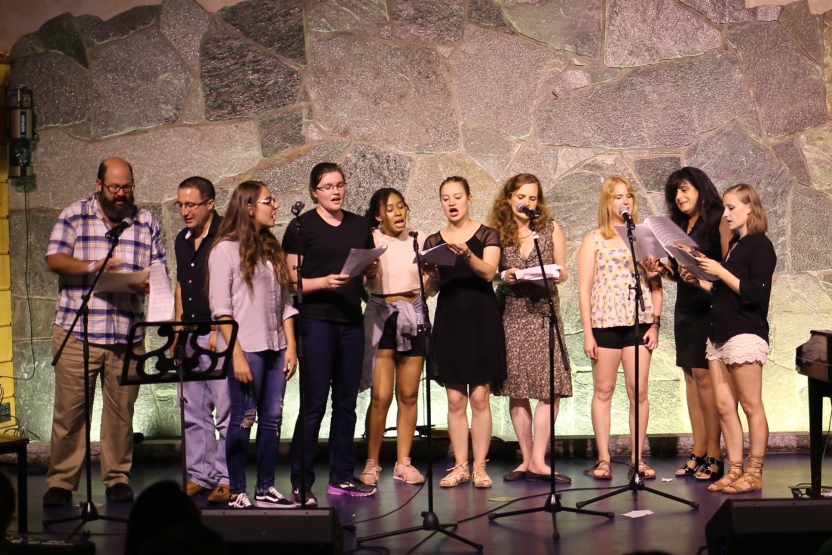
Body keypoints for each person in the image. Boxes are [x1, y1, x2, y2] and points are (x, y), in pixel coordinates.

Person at [43, 157, 166, 506]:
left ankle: (116, 477)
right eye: (114, 187)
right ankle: (63, 481)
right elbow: (54, 258)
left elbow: (159, 266)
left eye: (126, 187)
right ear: (99, 185)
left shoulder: (145, 222)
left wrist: (148, 285)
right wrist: (94, 266)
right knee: (69, 414)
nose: (121, 194)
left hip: (127, 334)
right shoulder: (74, 215)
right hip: (78, 330)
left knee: (121, 414)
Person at [282, 163, 379, 504]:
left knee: (347, 403)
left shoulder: (358, 225)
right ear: (314, 192)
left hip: (351, 320)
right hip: (317, 321)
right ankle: (300, 481)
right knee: (314, 404)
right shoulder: (301, 226)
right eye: (327, 187)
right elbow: (290, 282)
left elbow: (367, 279)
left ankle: (341, 476)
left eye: (339, 185)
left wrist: (369, 269)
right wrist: (323, 282)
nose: (335, 192)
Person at [208, 181, 298, 509]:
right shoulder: (225, 250)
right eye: (268, 201)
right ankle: (236, 489)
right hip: (245, 347)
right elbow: (221, 309)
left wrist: (291, 345)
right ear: (249, 208)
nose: (275, 206)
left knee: (272, 419)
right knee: (244, 418)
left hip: (275, 347)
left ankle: (265, 487)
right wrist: (237, 355)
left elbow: (285, 302)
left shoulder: (271, 247)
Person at [685, 184, 775, 494]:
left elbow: (754, 293)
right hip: (719, 334)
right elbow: (727, 291)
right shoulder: (736, 245)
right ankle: (735, 468)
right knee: (725, 407)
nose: (726, 214)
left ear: (750, 207)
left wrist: (719, 271)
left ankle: (755, 470)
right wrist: (700, 280)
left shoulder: (760, 245)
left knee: (751, 405)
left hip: (745, 332)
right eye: (724, 207)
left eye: (732, 207)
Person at [643, 167, 730, 481]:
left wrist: (701, 265)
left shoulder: (718, 217)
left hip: (710, 305)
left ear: (700, 187)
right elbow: (681, 272)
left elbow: (726, 265)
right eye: (675, 193)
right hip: (686, 307)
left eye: (684, 189)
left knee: (707, 380)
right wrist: (662, 269)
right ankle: (699, 449)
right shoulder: (678, 224)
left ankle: (716, 453)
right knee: (692, 380)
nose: (680, 197)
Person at [423, 176, 507, 488]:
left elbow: (489, 274)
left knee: (479, 397)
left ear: (469, 199)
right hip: (450, 319)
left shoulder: (487, 234)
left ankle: (480, 466)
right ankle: (460, 465)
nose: (452, 203)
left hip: (481, 319)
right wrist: (430, 277)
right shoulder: (434, 241)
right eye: (446, 198)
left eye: (457, 197)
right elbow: (431, 290)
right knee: (455, 400)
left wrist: (467, 255)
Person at [488, 173, 573, 484]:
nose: (526, 202)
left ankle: (539, 458)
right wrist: (504, 275)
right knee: (518, 388)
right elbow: (491, 272)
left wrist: (549, 273)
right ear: (509, 198)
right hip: (512, 313)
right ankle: (526, 458)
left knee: (550, 388)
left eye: (533, 198)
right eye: (521, 196)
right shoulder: (497, 233)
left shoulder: (550, 229)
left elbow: (562, 272)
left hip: (543, 313)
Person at [577, 175, 662, 480]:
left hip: (638, 323)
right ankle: (604, 459)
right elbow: (584, 289)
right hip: (604, 324)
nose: (624, 201)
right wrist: (588, 333)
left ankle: (637, 458)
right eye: (617, 197)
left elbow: (655, 284)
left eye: (628, 196)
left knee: (638, 391)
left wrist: (655, 323)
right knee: (604, 390)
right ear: (607, 202)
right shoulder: (594, 239)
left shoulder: (641, 236)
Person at [360, 188, 426, 487]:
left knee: (409, 395)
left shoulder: (418, 238)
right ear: (378, 215)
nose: (398, 213)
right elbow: (359, 279)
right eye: (390, 209)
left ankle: (403, 462)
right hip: (381, 313)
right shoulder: (370, 240)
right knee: (381, 395)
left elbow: (430, 281)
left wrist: (430, 280)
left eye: (401, 207)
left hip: (414, 314)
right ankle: (372, 463)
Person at [171, 177, 229, 503]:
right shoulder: (183, 239)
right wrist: (178, 329)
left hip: (216, 332)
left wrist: (221, 330)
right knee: (193, 412)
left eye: (190, 204)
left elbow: (232, 285)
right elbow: (182, 284)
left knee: (226, 411)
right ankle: (200, 475)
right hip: (191, 334)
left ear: (210, 204)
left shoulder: (226, 236)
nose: (184, 211)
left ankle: (225, 477)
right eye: (180, 204)